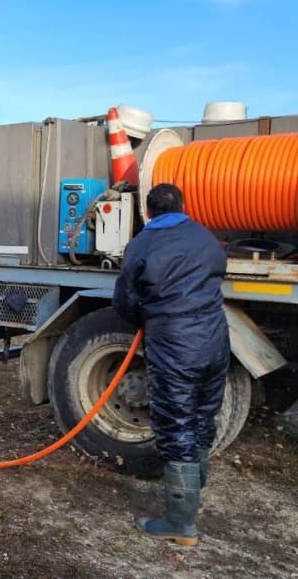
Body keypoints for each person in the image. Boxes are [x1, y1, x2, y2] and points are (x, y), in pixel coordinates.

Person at [113, 183, 229, 546]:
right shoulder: (206, 237)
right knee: (201, 417)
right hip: (214, 340)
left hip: (175, 345)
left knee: (176, 425)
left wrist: (145, 317)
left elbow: (126, 301)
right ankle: (194, 499)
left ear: (148, 211)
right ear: (182, 205)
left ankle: (181, 524)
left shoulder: (141, 245)